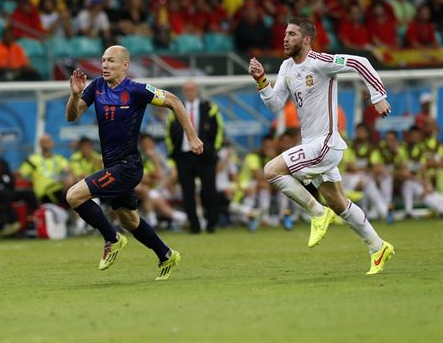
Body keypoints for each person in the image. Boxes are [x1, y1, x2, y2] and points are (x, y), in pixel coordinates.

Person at [249, 16, 394, 275]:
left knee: (271, 171)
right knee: (338, 203)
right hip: (313, 144)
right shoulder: (286, 68)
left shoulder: (320, 62)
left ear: (306, 40)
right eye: (285, 33)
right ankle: (378, 246)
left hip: (326, 143)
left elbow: (361, 62)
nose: (285, 38)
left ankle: (316, 213)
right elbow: (274, 104)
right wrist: (261, 80)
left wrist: (378, 97)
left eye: (292, 34)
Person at [65, 45, 203, 280]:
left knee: (74, 196)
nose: (105, 65)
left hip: (128, 166)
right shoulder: (97, 86)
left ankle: (112, 239)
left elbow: (174, 101)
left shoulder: (137, 90)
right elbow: (72, 116)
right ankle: (166, 254)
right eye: (103, 60)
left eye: (111, 61)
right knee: (130, 220)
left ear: (125, 66)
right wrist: (76, 94)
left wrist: (191, 136)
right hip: (111, 166)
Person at [166, 80, 223, 233]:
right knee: (188, 192)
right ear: (184, 92)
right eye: (187, 90)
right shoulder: (176, 109)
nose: (190, 92)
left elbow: (219, 130)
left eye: (192, 89)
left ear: (197, 90)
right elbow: (169, 133)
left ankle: (212, 224)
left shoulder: (209, 108)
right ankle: (194, 225)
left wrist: (213, 150)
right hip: (184, 157)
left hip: (205, 156)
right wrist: (174, 153)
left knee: (208, 190)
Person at [0, 136, 38, 233]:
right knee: (5, 194)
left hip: (7, 191)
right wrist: (2, 179)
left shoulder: (4, 162)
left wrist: (0, 180)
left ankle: (32, 223)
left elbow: (10, 180)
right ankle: (13, 222)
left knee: (29, 193)